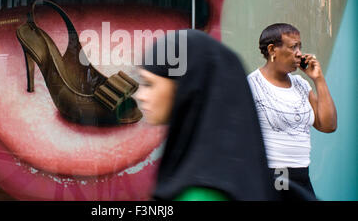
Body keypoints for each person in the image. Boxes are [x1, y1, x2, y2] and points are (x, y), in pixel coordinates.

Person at [136, 29, 277, 201]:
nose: (140, 96)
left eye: (149, 84)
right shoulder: (220, 171)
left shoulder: (201, 193)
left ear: (184, 88)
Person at [247, 23, 337, 200]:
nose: (299, 53)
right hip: (272, 175)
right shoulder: (252, 84)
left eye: (300, 47)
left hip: (302, 176)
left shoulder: (301, 85)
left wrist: (318, 79)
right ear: (272, 50)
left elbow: (328, 125)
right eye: (293, 47)